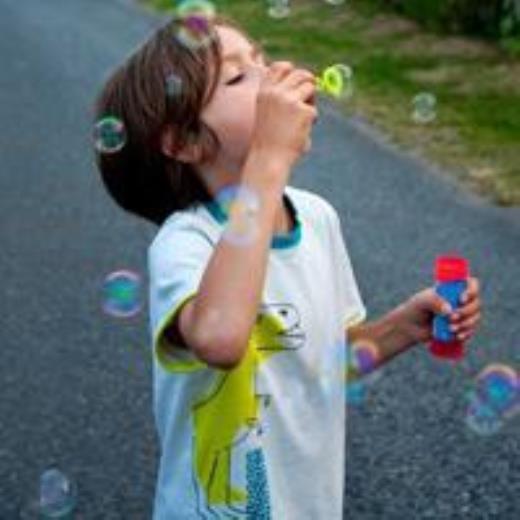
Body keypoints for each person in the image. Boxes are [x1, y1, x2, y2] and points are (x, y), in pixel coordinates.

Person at [94, 13, 482, 520]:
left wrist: (402, 328)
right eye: (238, 77)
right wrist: (269, 159)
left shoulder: (317, 219)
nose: (273, 76)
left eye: (261, 58)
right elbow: (220, 339)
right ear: (185, 142)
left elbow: (318, 363)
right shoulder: (186, 242)